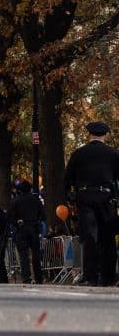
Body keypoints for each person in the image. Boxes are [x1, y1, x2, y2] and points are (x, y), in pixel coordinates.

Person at [63, 121, 119, 286]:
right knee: (107, 238)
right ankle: (108, 277)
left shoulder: (78, 154)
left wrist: (69, 197)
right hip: (106, 199)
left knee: (90, 237)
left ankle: (91, 276)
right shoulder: (113, 154)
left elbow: (67, 180)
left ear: (90, 134)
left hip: (85, 197)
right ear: (105, 135)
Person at [9, 179, 45, 284]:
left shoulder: (16, 200)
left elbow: (10, 217)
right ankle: (38, 277)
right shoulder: (36, 200)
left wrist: (17, 222)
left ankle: (26, 277)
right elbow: (43, 215)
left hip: (22, 229)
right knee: (36, 254)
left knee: (23, 255)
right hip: (34, 229)